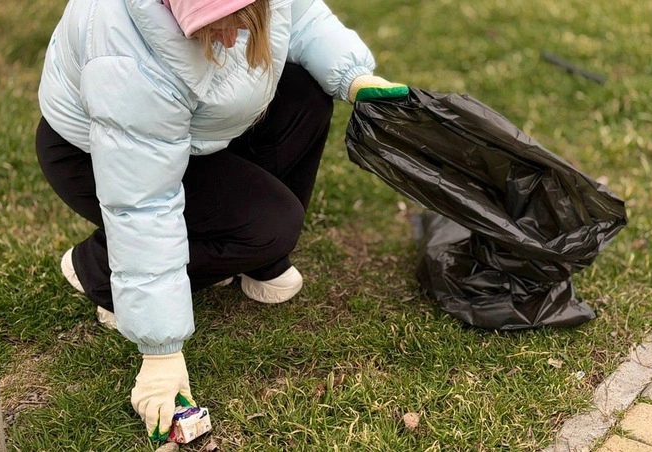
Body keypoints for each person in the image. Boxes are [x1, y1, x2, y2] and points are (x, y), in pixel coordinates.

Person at [36, 0, 408, 441]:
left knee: (306, 91)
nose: (231, 38)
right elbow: (145, 202)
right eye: (210, 28)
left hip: (193, 132)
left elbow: (303, 16)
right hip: (101, 155)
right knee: (271, 226)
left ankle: (250, 255)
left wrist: (352, 75)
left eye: (240, 21)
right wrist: (161, 351)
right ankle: (95, 270)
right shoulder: (124, 52)